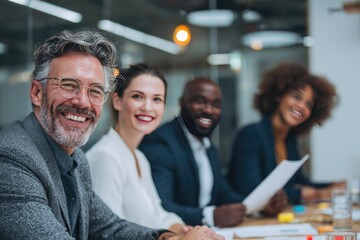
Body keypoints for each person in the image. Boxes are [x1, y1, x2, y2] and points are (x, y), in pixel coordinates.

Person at [0, 29, 224, 240]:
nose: (82, 101)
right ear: (37, 93)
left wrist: (168, 237)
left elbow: (109, 227)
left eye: (95, 91)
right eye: (69, 85)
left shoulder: (75, 159)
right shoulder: (13, 159)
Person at [139, 77, 287, 228]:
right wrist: (210, 216)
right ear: (182, 103)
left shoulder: (210, 148)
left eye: (216, 105)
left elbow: (222, 193)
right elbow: (161, 208)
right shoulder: (160, 144)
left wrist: (260, 206)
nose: (208, 110)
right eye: (200, 101)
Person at [86, 63, 190, 235]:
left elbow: (157, 214)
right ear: (117, 101)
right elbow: (109, 234)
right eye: (138, 97)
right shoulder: (106, 158)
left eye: (157, 99)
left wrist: (181, 229)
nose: (148, 107)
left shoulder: (139, 157)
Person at [227, 62, 345, 205]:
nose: (301, 106)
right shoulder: (250, 135)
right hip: (243, 219)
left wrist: (333, 186)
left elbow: (300, 181)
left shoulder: (289, 139)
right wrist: (307, 194)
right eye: (296, 97)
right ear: (279, 96)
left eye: (309, 104)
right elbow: (252, 191)